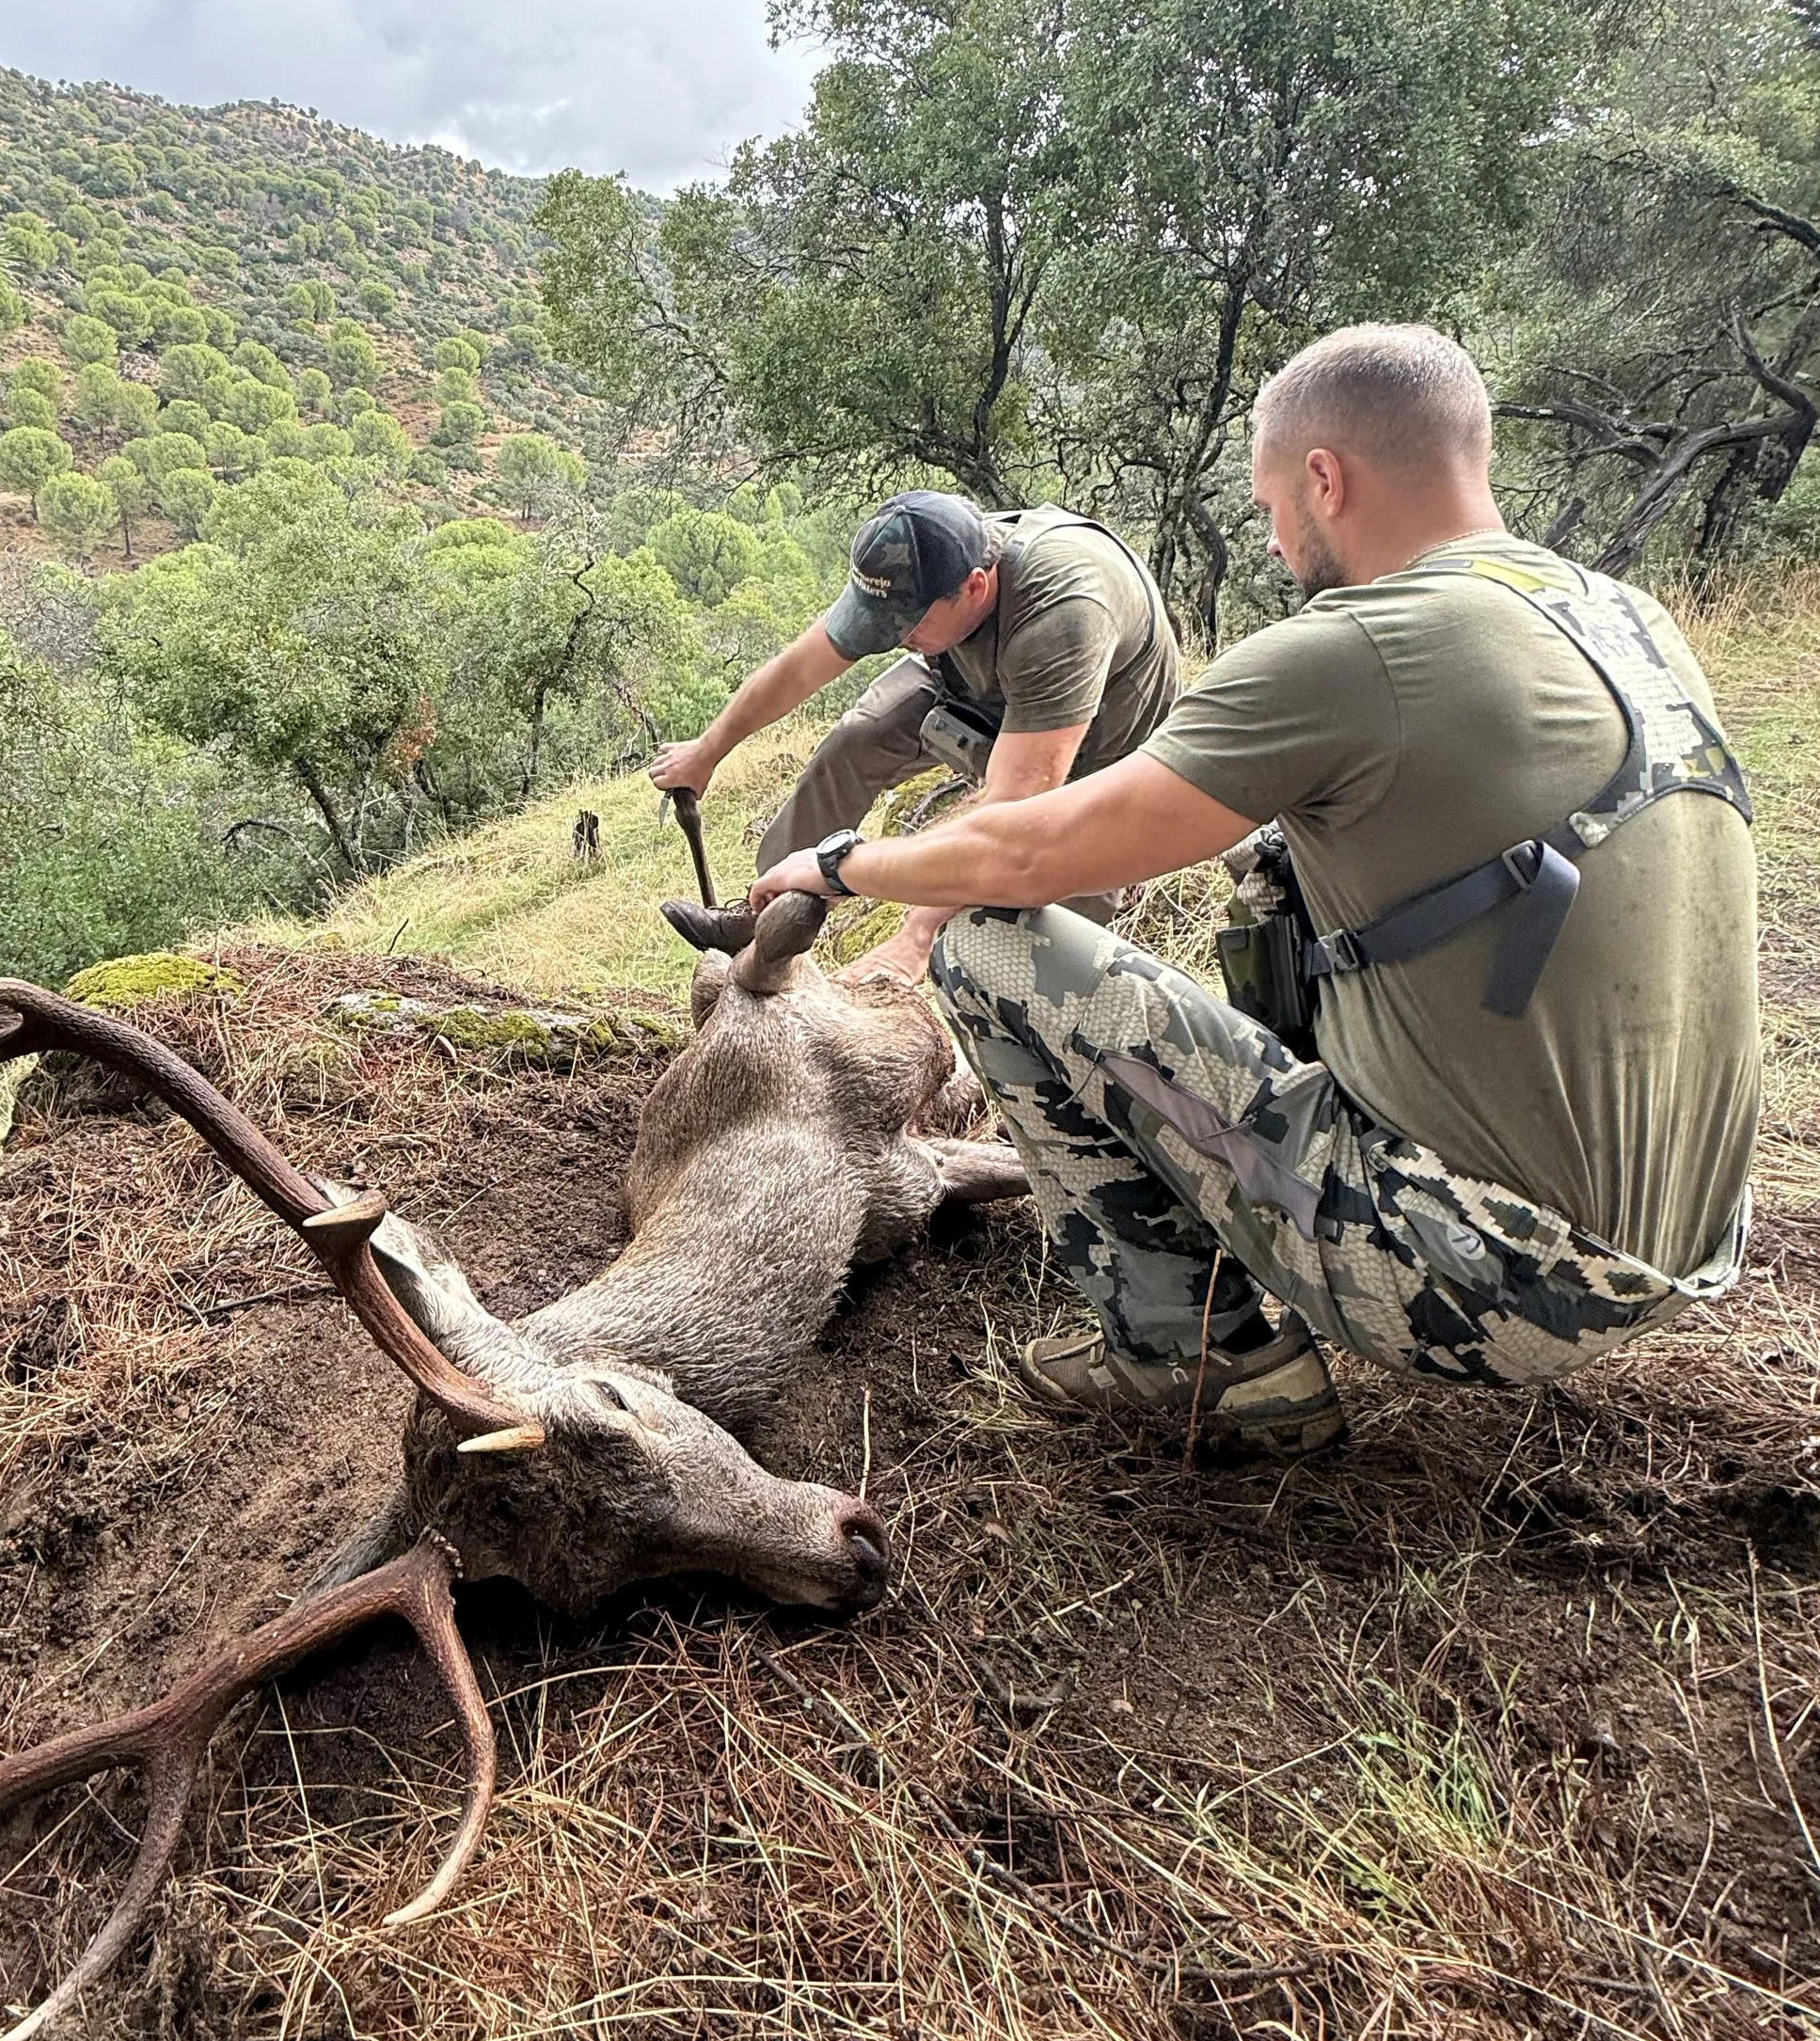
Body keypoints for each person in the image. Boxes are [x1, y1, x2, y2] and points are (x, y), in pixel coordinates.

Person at [749, 325, 1759, 1455]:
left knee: (988, 947)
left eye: (1273, 505)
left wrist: (838, 865)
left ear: (1323, 478)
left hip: (1492, 1278)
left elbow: (1030, 852)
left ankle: (1198, 1355)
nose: (1276, 541)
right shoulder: (1627, 616)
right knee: (1272, 868)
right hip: (1692, 1239)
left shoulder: (1355, 646)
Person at [648, 489, 1179, 979]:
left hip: (1098, 734)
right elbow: (799, 668)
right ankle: (767, 914)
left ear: (975, 586)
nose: (896, 638)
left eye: (908, 625)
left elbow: (1012, 808)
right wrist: (708, 750)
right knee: (854, 745)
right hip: (968, 679)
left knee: (1049, 935)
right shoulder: (913, 570)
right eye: (882, 624)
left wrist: (918, 935)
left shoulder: (1063, 615)